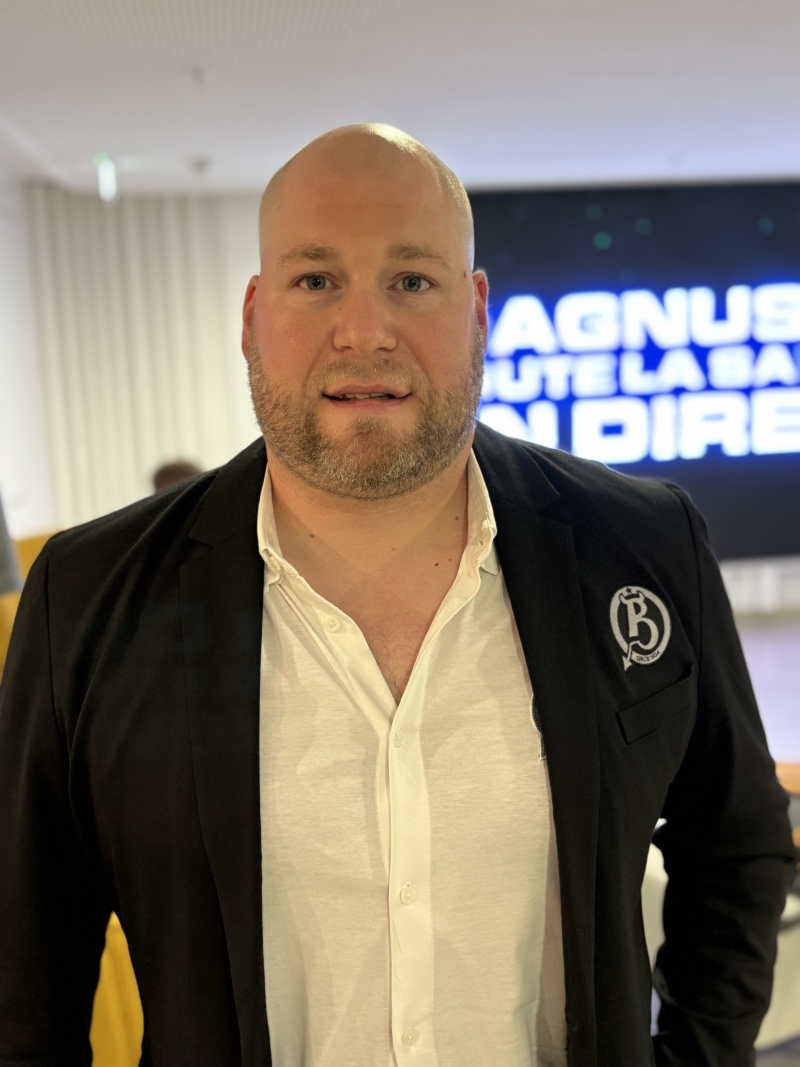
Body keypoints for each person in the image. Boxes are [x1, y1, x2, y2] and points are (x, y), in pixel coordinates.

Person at [0, 124, 794, 1067]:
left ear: (477, 309)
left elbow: (738, 849)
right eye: (316, 278)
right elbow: (24, 974)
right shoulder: (88, 600)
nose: (365, 330)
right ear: (254, 316)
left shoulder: (646, 545)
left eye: (412, 280)